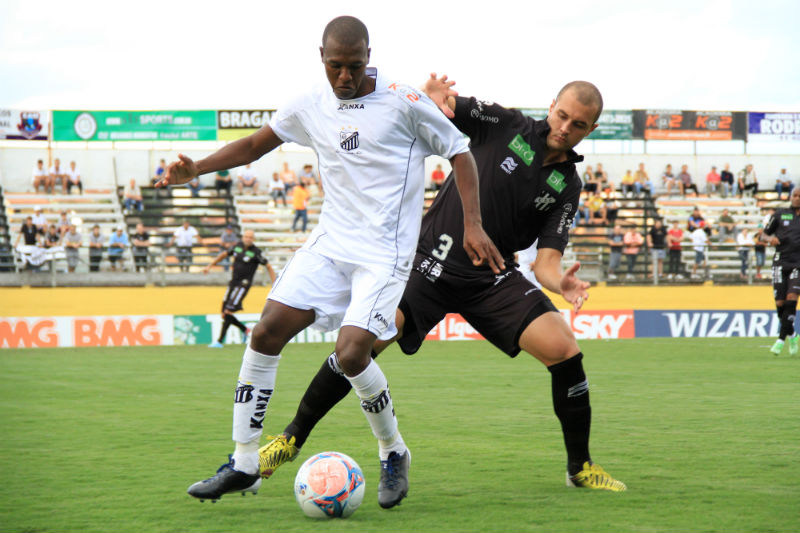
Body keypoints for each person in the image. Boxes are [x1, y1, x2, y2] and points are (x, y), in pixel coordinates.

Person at [157, 16, 502, 506]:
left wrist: (472, 223)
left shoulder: (405, 102)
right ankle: (243, 462)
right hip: (330, 245)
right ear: (320, 56)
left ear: (369, 56)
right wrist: (197, 167)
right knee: (266, 330)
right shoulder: (308, 105)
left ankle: (392, 450)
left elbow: (461, 152)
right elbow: (255, 145)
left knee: (353, 353)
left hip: (384, 255)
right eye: (335, 66)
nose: (344, 77)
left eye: (354, 66)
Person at [255, 76, 626, 494]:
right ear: (552, 104)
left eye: (577, 124)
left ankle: (581, 467)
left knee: (564, 348)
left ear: (589, 130)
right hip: (428, 262)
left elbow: (546, 263)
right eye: (562, 115)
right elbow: (445, 103)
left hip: (491, 276)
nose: (564, 127)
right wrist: (434, 95)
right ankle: (290, 438)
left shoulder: (568, 186)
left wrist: (563, 285)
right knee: (359, 347)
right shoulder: (507, 124)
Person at [205, 229, 277, 348]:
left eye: (250, 237)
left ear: (253, 239)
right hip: (233, 283)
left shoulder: (256, 252)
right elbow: (223, 254)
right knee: (224, 314)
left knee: (228, 311)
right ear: (243, 237)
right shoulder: (237, 247)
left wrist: (274, 283)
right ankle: (245, 330)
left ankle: (219, 341)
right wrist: (209, 266)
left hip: (243, 285)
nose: (248, 239)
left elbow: (268, 266)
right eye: (246, 236)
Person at [762, 188, 800, 356]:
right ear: (791, 197)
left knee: (792, 299)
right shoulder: (780, 214)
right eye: (795, 195)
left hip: (797, 264)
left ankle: (780, 340)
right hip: (779, 263)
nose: (797, 198)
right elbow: (763, 235)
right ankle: (793, 335)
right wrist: (770, 239)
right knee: (780, 304)